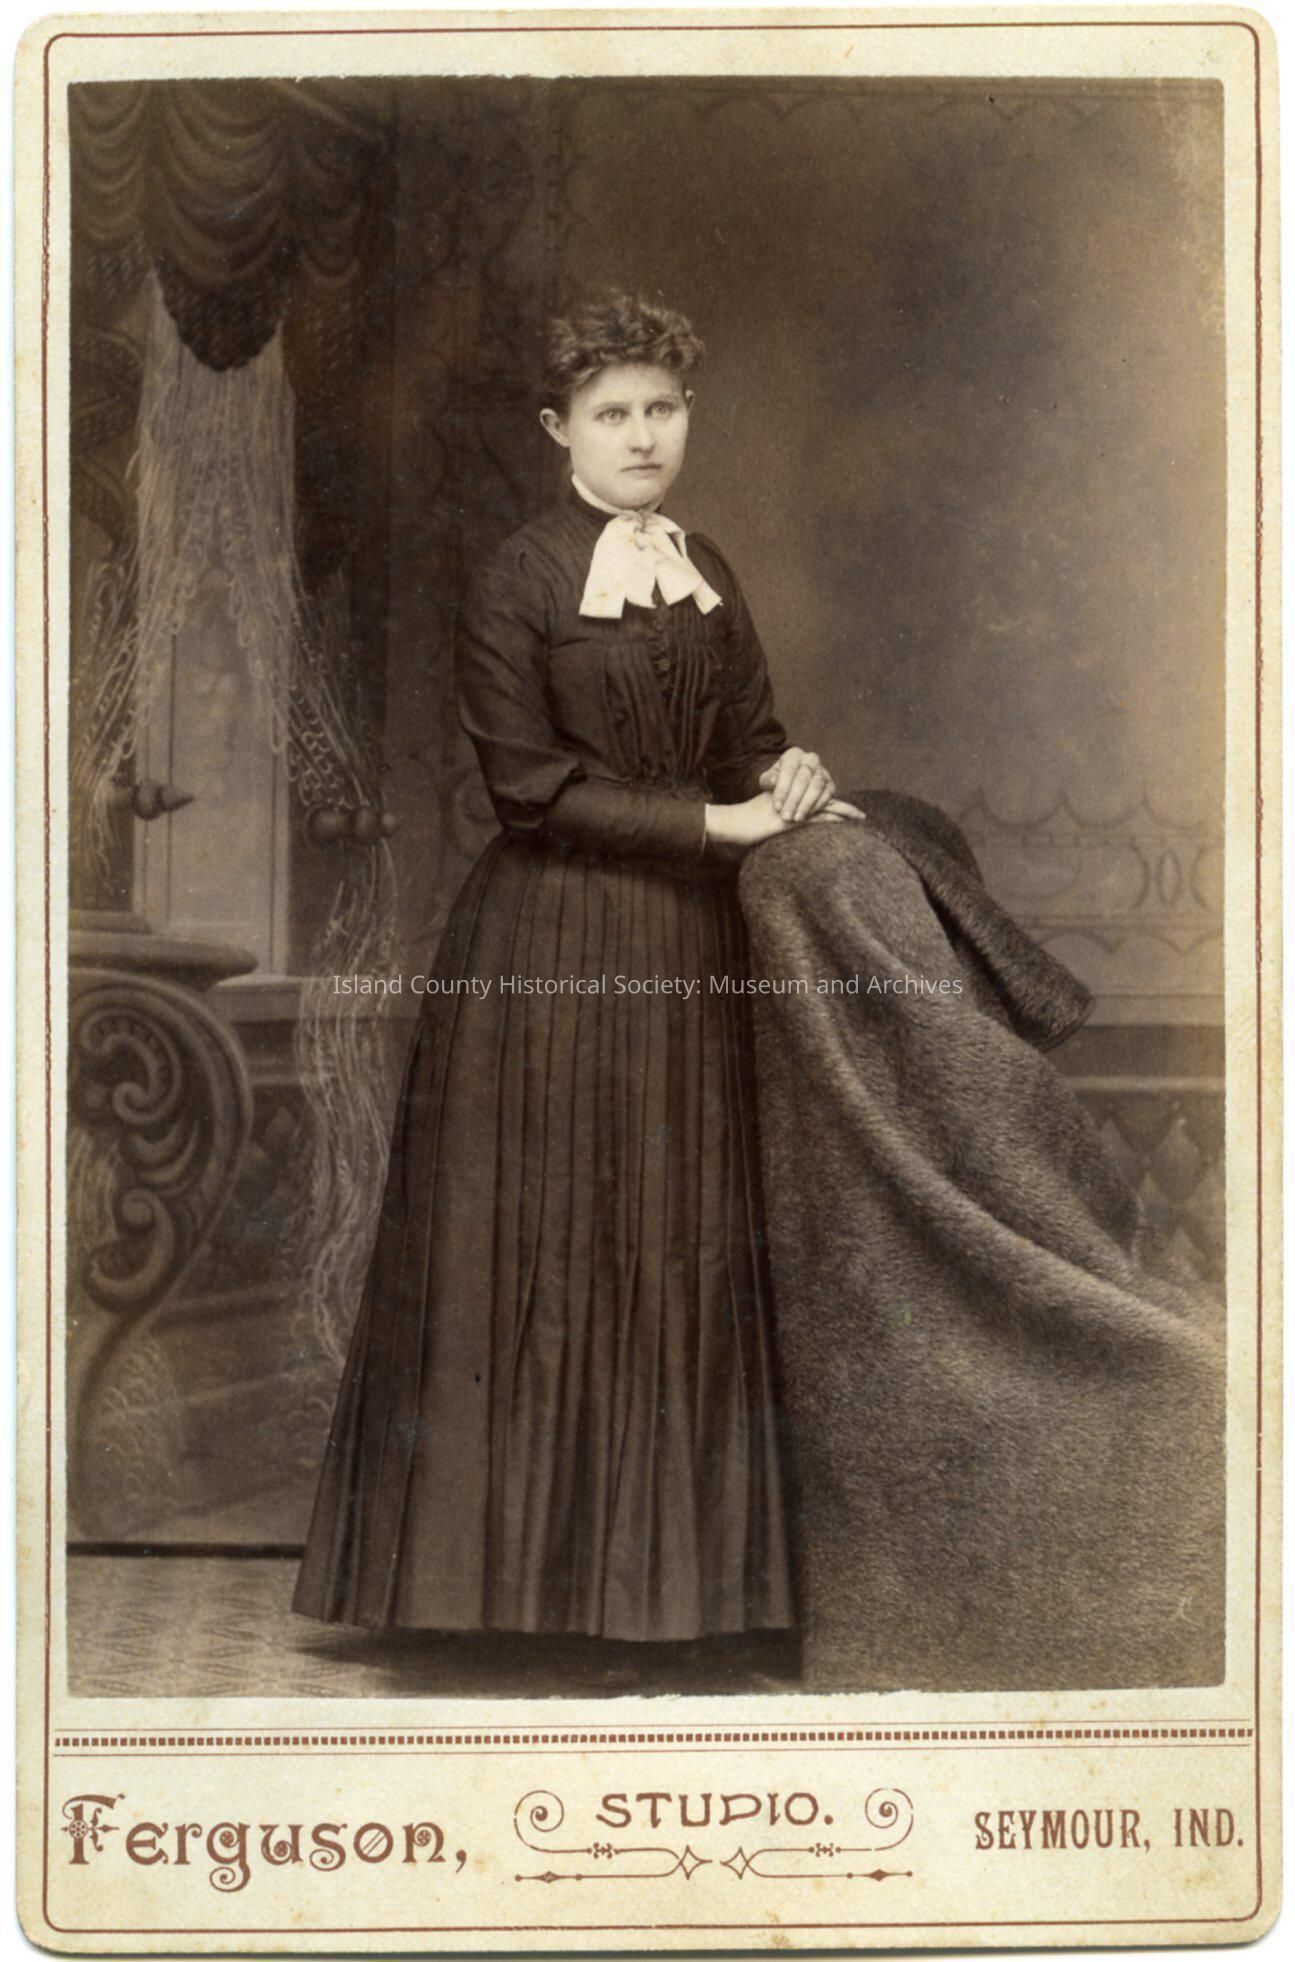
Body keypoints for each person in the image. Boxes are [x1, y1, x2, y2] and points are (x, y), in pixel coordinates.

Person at [292, 291, 849, 1649]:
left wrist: (788, 775)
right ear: (559, 429)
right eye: (612, 413)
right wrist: (723, 826)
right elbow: (530, 790)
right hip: (547, 950)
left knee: (674, 1239)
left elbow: (750, 742)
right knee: (555, 1243)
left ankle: (675, 1602)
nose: (642, 435)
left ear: (686, 415)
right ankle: (513, 1604)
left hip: (687, 948)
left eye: (662, 408)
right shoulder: (521, 577)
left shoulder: (706, 567)